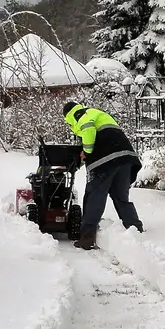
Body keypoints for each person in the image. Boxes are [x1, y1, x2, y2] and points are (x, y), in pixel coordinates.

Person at [63, 100, 143, 249]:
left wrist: (86, 152)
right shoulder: (96, 113)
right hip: (125, 158)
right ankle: (135, 228)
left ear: (68, 117)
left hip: (104, 161)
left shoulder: (80, 115)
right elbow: (95, 138)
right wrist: (77, 164)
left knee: (94, 196)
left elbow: (88, 131)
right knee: (121, 198)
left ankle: (87, 237)